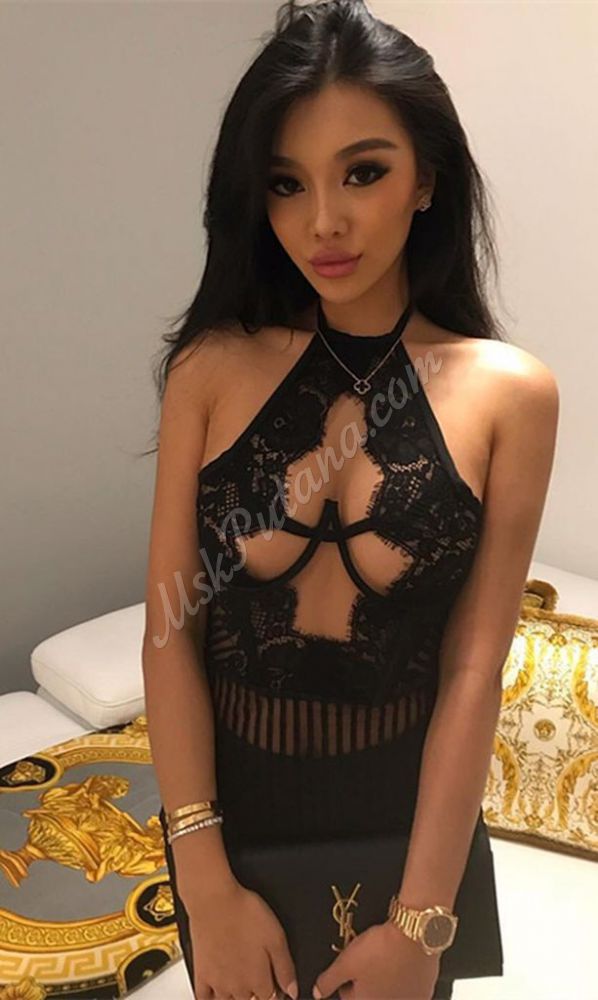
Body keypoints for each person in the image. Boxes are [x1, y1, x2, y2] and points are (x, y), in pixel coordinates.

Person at [141, 1, 559, 997]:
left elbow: (472, 669)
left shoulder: (510, 394)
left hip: (409, 830)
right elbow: (170, 631)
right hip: (230, 826)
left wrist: (422, 923)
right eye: (286, 183)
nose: (322, 222)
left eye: (362, 172)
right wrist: (204, 883)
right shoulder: (210, 369)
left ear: (427, 179)